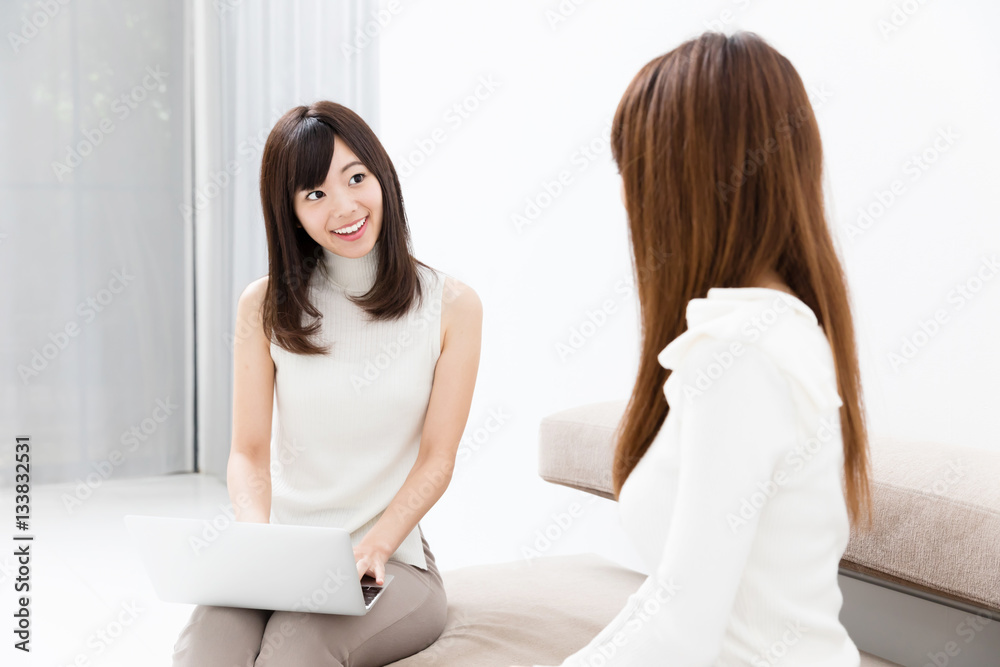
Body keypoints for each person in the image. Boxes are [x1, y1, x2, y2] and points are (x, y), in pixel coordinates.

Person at [519, 31, 872, 667]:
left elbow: (683, 632)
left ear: (684, 184)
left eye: (637, 172)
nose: (629, 198)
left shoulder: (739, 354)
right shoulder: (780, 329)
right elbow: (669, 599)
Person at [172, 101, 483, 666]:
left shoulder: (452, 306)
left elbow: (438, 459)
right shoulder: (264, 304)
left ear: (382, 176)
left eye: (356, 178)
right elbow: (248, 452)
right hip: (283, 558)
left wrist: (376, 545)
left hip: (393, 561)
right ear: (290, 213)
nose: (344, 206)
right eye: (314, 194)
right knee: (205, 649)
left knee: (300, 651)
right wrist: (256, 543)